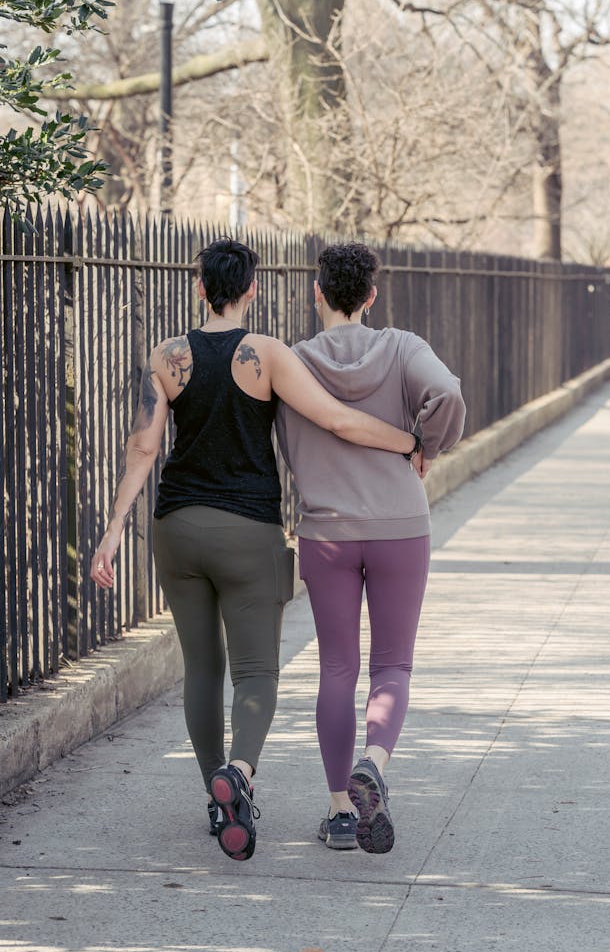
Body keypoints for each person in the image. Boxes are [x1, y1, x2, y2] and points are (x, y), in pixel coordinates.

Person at [90, 238, 420, 863]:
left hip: (177, 529)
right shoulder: (267, 355)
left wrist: (113, 528)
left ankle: (221, 802)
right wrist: (406, 442)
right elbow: (337, 421)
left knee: (202, 668)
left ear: (198, 287)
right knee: (255, 672)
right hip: (249, 533)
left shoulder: (164, 357)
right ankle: (239, 771)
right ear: (253, 290)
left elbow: (142, 449)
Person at [275, 242, 466, 854]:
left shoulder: (292, 363)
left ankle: (337, 812)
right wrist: (425, 447)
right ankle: (375, 763)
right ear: (372, 296)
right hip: (400, 527)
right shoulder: (404, 348)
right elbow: (450, 395)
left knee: (336, 667)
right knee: (393, 665)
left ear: (316, 291)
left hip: (325, 531)